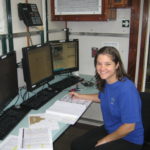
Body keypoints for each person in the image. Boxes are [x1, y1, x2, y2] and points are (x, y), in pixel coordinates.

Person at [70, 46, 144, 150]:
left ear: (117, 65)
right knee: (77, 145)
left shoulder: (126, 89)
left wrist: (104, 140)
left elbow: (129, 127)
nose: (102, 68)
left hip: (129, 139)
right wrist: (80, 96)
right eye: (99, 63)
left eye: (107, 64)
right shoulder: (107, 81)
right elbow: (102, 97)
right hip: (111, 129)